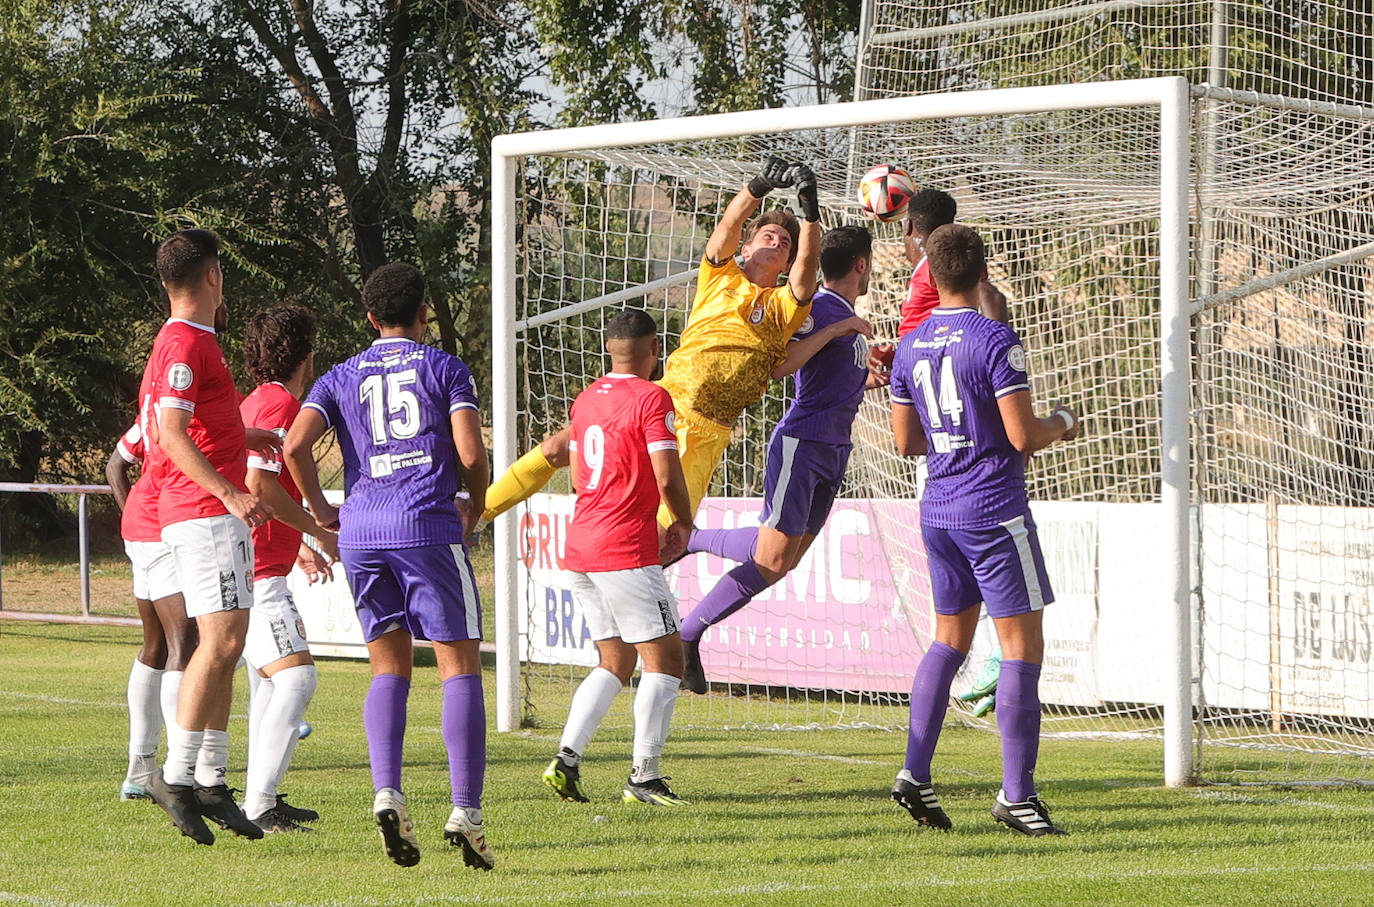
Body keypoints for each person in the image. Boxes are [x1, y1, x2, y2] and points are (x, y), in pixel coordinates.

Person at [480, 156, 823, 531]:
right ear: (746, 248)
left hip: (706, 431)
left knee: (668, 535)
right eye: (767, 236)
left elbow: (807, 268)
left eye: (784, 242)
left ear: (788, 261)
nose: (775, 242)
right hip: (659, 400)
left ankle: (625, 581)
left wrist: (809, 211)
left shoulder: (784, 307)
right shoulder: (719, 277)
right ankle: (474, 516)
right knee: (554, 449)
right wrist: (757, 185)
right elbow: (729, 224)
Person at [284, 262, 493, 870]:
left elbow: (295, 445)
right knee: (459, 664)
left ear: (371, 318)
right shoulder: (445, 368)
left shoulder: (340, 375)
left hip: (363, 532)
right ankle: (466, 810)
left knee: (387, 666)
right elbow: (470, 451)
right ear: (423, 313)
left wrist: (322, 507)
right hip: (426, 525)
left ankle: (387, 791)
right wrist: (475, 504)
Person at [888, 223, 1078, 837]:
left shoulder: (911, 345)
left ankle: (915, 775)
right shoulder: (995, 340)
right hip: (993, 508)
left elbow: (906, 442)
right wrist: (1062, 421)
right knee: (1021, 648)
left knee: (948, 640)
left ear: (932, 272)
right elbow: (1023, 435)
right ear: (983, 271)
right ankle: (1017, 797)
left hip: (938, 510)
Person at [678, 225, 883, 693]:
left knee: (780, 562)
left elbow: (827, 378)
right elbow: (781, 362)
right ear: (861, 265)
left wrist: (867, 378)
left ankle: (690, 611)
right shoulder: (826, 308)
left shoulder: (844, 314)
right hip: (802, 444)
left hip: (834, 450)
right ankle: (689, 594)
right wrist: (836, 328)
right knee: (772, 556)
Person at [140, 229, 276, 846]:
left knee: (229, 641)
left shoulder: (195, 340)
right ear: (214, 276)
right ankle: (175, 777)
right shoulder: (182, 342)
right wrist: (229, 490)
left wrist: (244, 440)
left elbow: (195, 423)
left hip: (205, 509)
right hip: (202, 510)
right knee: (217, 643)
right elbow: (169, 433)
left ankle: (214, 781)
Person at [541, 309, 695, 808]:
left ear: (610, 349)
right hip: (623, 549)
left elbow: (558, 456)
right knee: (668, 658)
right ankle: (644, 777)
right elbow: (667, 472)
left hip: (580, 545)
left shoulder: (587, 398)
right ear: (655, 349)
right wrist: (683, 522)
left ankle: (566, 759)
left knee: (615, 658)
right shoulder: (652, 397)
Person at [237, 305, 339, 833]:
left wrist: (299, 543)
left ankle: (260, 801)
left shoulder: (260, 398)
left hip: (257, 562)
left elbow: (260, 486)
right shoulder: (279, 402)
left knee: (267, 685)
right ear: (306, 353)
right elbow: (260, 486)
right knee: (296, 679)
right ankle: (258, 803)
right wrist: (321, 530)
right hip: (254, 572)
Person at [106, 421, 195, 801]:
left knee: (156, 646)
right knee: (185, 644)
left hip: (143, 527)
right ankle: (179, 774)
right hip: (163, 530)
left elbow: (114, 466)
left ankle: (140, 769)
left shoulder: (151, 413)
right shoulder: (183, 411)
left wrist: (132, 515)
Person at [896, 188, 1006, 337]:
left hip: (933, 353)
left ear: (908, 226)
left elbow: (992, 296)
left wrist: (996, 347)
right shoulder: (926, 266)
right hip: (914, 354)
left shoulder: (938, 263)